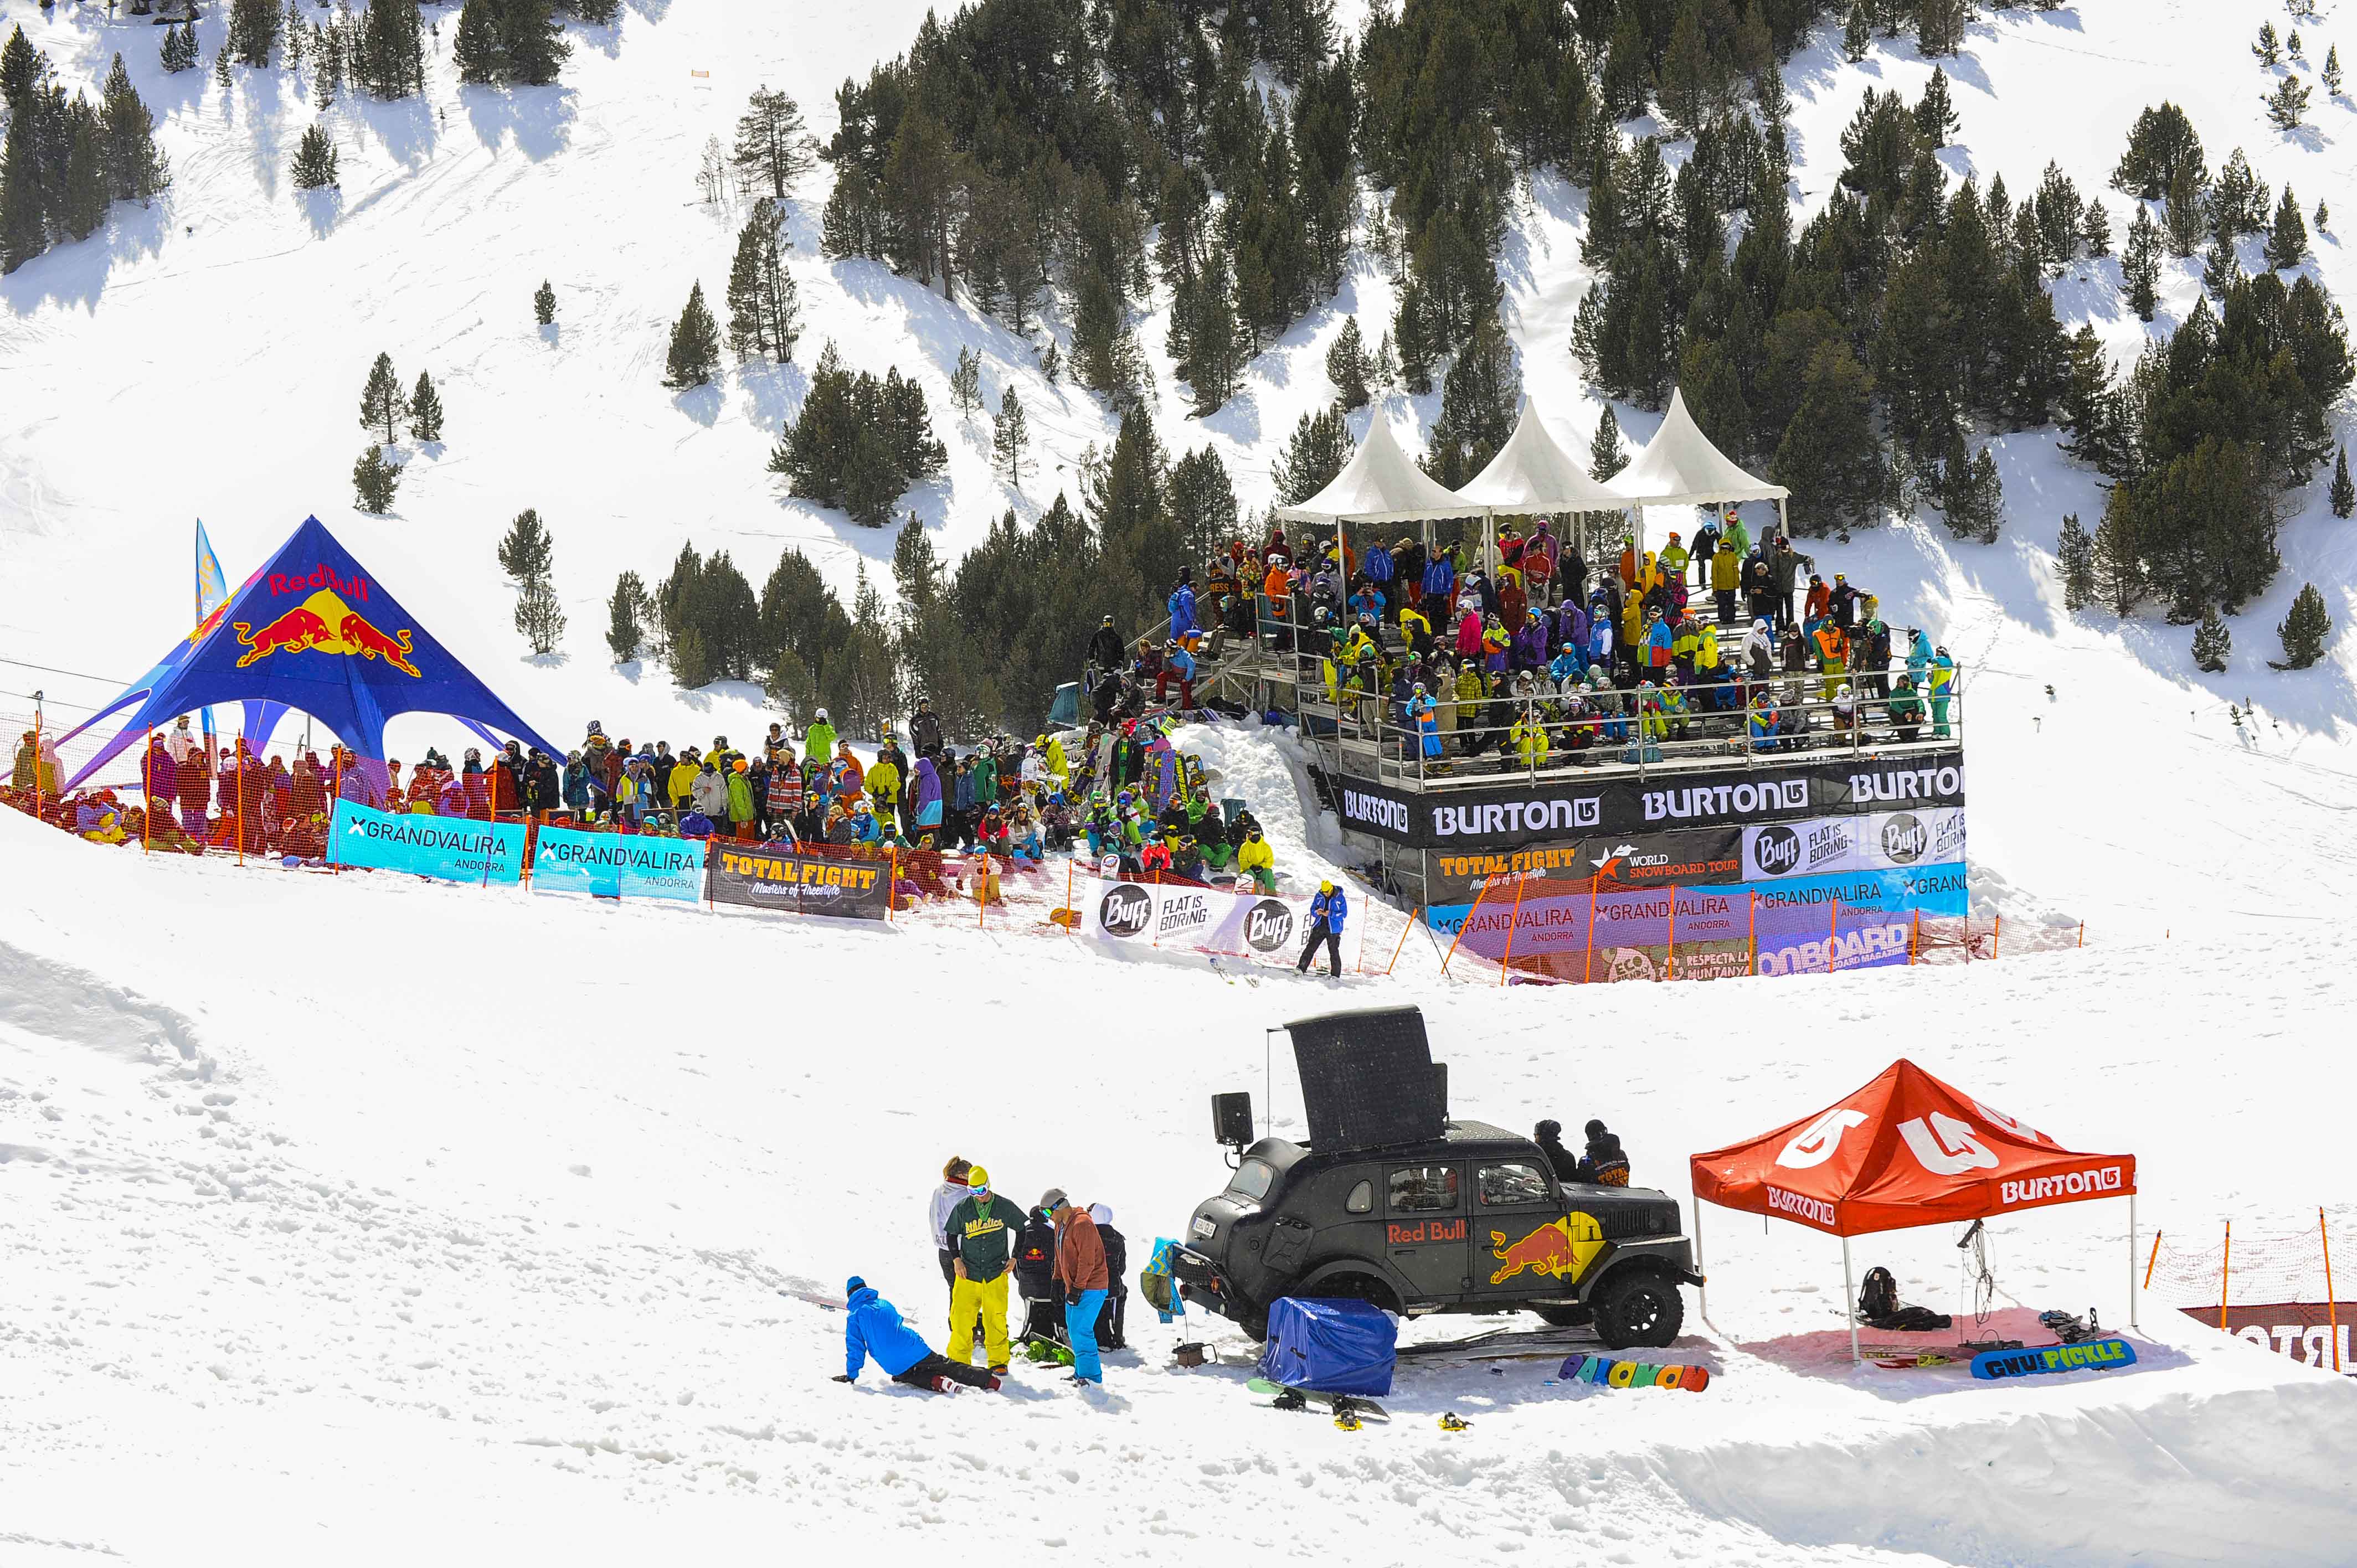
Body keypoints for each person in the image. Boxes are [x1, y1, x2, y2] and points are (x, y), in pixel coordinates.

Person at [835, 1277, 1002, 1393]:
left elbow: (856, 1347)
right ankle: (987, 1380)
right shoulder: (884, 1304)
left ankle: (938, 1382)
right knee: (946, 1365)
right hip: (914, 1348)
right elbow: (896, 1323)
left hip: (891, 1362)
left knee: (906, 1376)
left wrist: (851, 1375)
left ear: (850, 1295)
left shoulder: (854, 1316)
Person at [943, 1164, 1026, 1375]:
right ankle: (958, 1361)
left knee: (996, 1319)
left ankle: (998, 1361)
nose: (978, 1196)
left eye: (981, 1191)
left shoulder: (1004, 1207)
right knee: (961, 1319)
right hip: (968, 1273)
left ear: (988, 1186)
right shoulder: (963, 1208)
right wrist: (956, 1260)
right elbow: (951, 1235)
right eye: (972, 1191)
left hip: (995, 1273)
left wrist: (1015, 1257)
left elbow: (1022, 1229)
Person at [1048, 1192, 1110, 1386]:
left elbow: (1087, 1261)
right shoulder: (1060, 1225)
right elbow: (1059, 1256)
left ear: (1060, 1206)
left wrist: (1078, 1288)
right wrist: (1057, 1280)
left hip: (1091, 1286)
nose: (1048, 1216)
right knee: (1075, 1331)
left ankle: (1091, 1378)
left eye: (1049, 1211)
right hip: (1073, 1285)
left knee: (1082, 1331)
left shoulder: (1082, 1224)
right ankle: (1081, 1372)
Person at [1298, 878, 1346, 977]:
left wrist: (1331, 914)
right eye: (1323, 892)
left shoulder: (1340, 897)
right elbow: (1312, 909)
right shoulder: (1319, 895)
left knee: (1334, 951)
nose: (1325, 894)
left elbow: (1344, 914)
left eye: (1327, 892)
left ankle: (1336, 975)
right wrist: (1317, 912)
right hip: (1320, 926)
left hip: (1334, 929)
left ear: (1331, 889)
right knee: (1310, 948)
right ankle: (1301, 968)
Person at [1578, 1120, 1630, 1186]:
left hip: (1602, 1195)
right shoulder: (1621, 1154)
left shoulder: (1587, 1162)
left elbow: (1581, 1189)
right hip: (1623, 1195)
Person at [1533, 1120, 1581, 1185]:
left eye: (1536, 1135)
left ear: (1541, 1136)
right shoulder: (1569, 1157)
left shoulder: (1537, 1157)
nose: (1535, 1139)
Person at [1237, 823, 1277, 893]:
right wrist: (1250, 867)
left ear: (1255, 835)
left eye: (1250, 834)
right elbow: (1242, 860)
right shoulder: (1245, 846)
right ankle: (1254, 895)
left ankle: (1271, 894)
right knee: (1249, 874)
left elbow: (1270, 861)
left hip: (1261, 870)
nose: (1248, 836)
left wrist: (1261, 867)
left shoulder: (1265, 847)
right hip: (1249, 870)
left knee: (1268, 873)